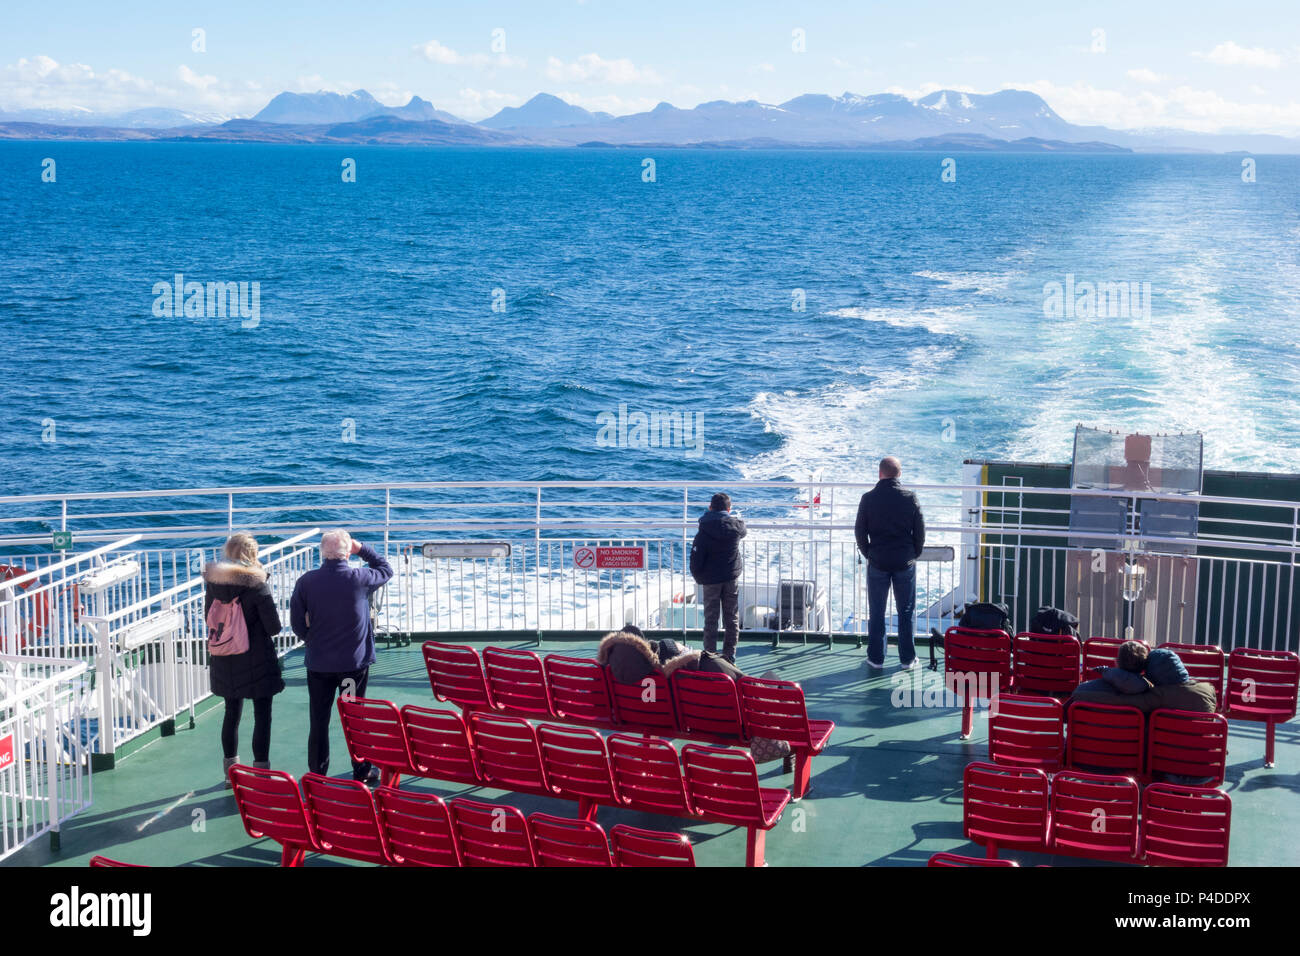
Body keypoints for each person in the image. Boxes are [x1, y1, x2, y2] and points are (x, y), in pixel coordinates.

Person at [290, 529, 393, 784]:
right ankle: (361, 770)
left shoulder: (306, 581)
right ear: (348, 552)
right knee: (354, 717)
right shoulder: (360, 577)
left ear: (322, 553)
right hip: (352, 666)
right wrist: (363, 548)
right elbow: (385, 568)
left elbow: (296, 623)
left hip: (319, 665)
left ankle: (317, 774)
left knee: (319, 719)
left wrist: (311, 639)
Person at [203, 532, 285, 787]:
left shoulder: (213, 584)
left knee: (231, 713)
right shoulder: (257, 585)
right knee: (262, 714)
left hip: (225, 656)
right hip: (256, 658)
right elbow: (273, 627)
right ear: (252, 555)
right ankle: (261, 773)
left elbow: (210, 616)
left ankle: (231, 774)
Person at [855, 456, 926, 670]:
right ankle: (907, 659)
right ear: (899, 474)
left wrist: (869, 553)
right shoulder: (910, 497)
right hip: (905, 562)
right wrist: (914, 553)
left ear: (880, 473)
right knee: (905, 611)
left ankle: (876, 659)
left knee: (877, 611)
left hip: (878, 561)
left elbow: (860, 531)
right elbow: (920, 531)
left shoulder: (868, 498)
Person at [689, 493, 747, 664]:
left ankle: (710, 658)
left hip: (710, 580)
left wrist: (699, 577)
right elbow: (743, 529)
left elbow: (696, 559)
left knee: (711, 620)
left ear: (710, 507)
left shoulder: (704, 530)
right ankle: (729, 657)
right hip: (731, 578)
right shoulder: (736, 527)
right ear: (729, 509)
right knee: (732, 618)